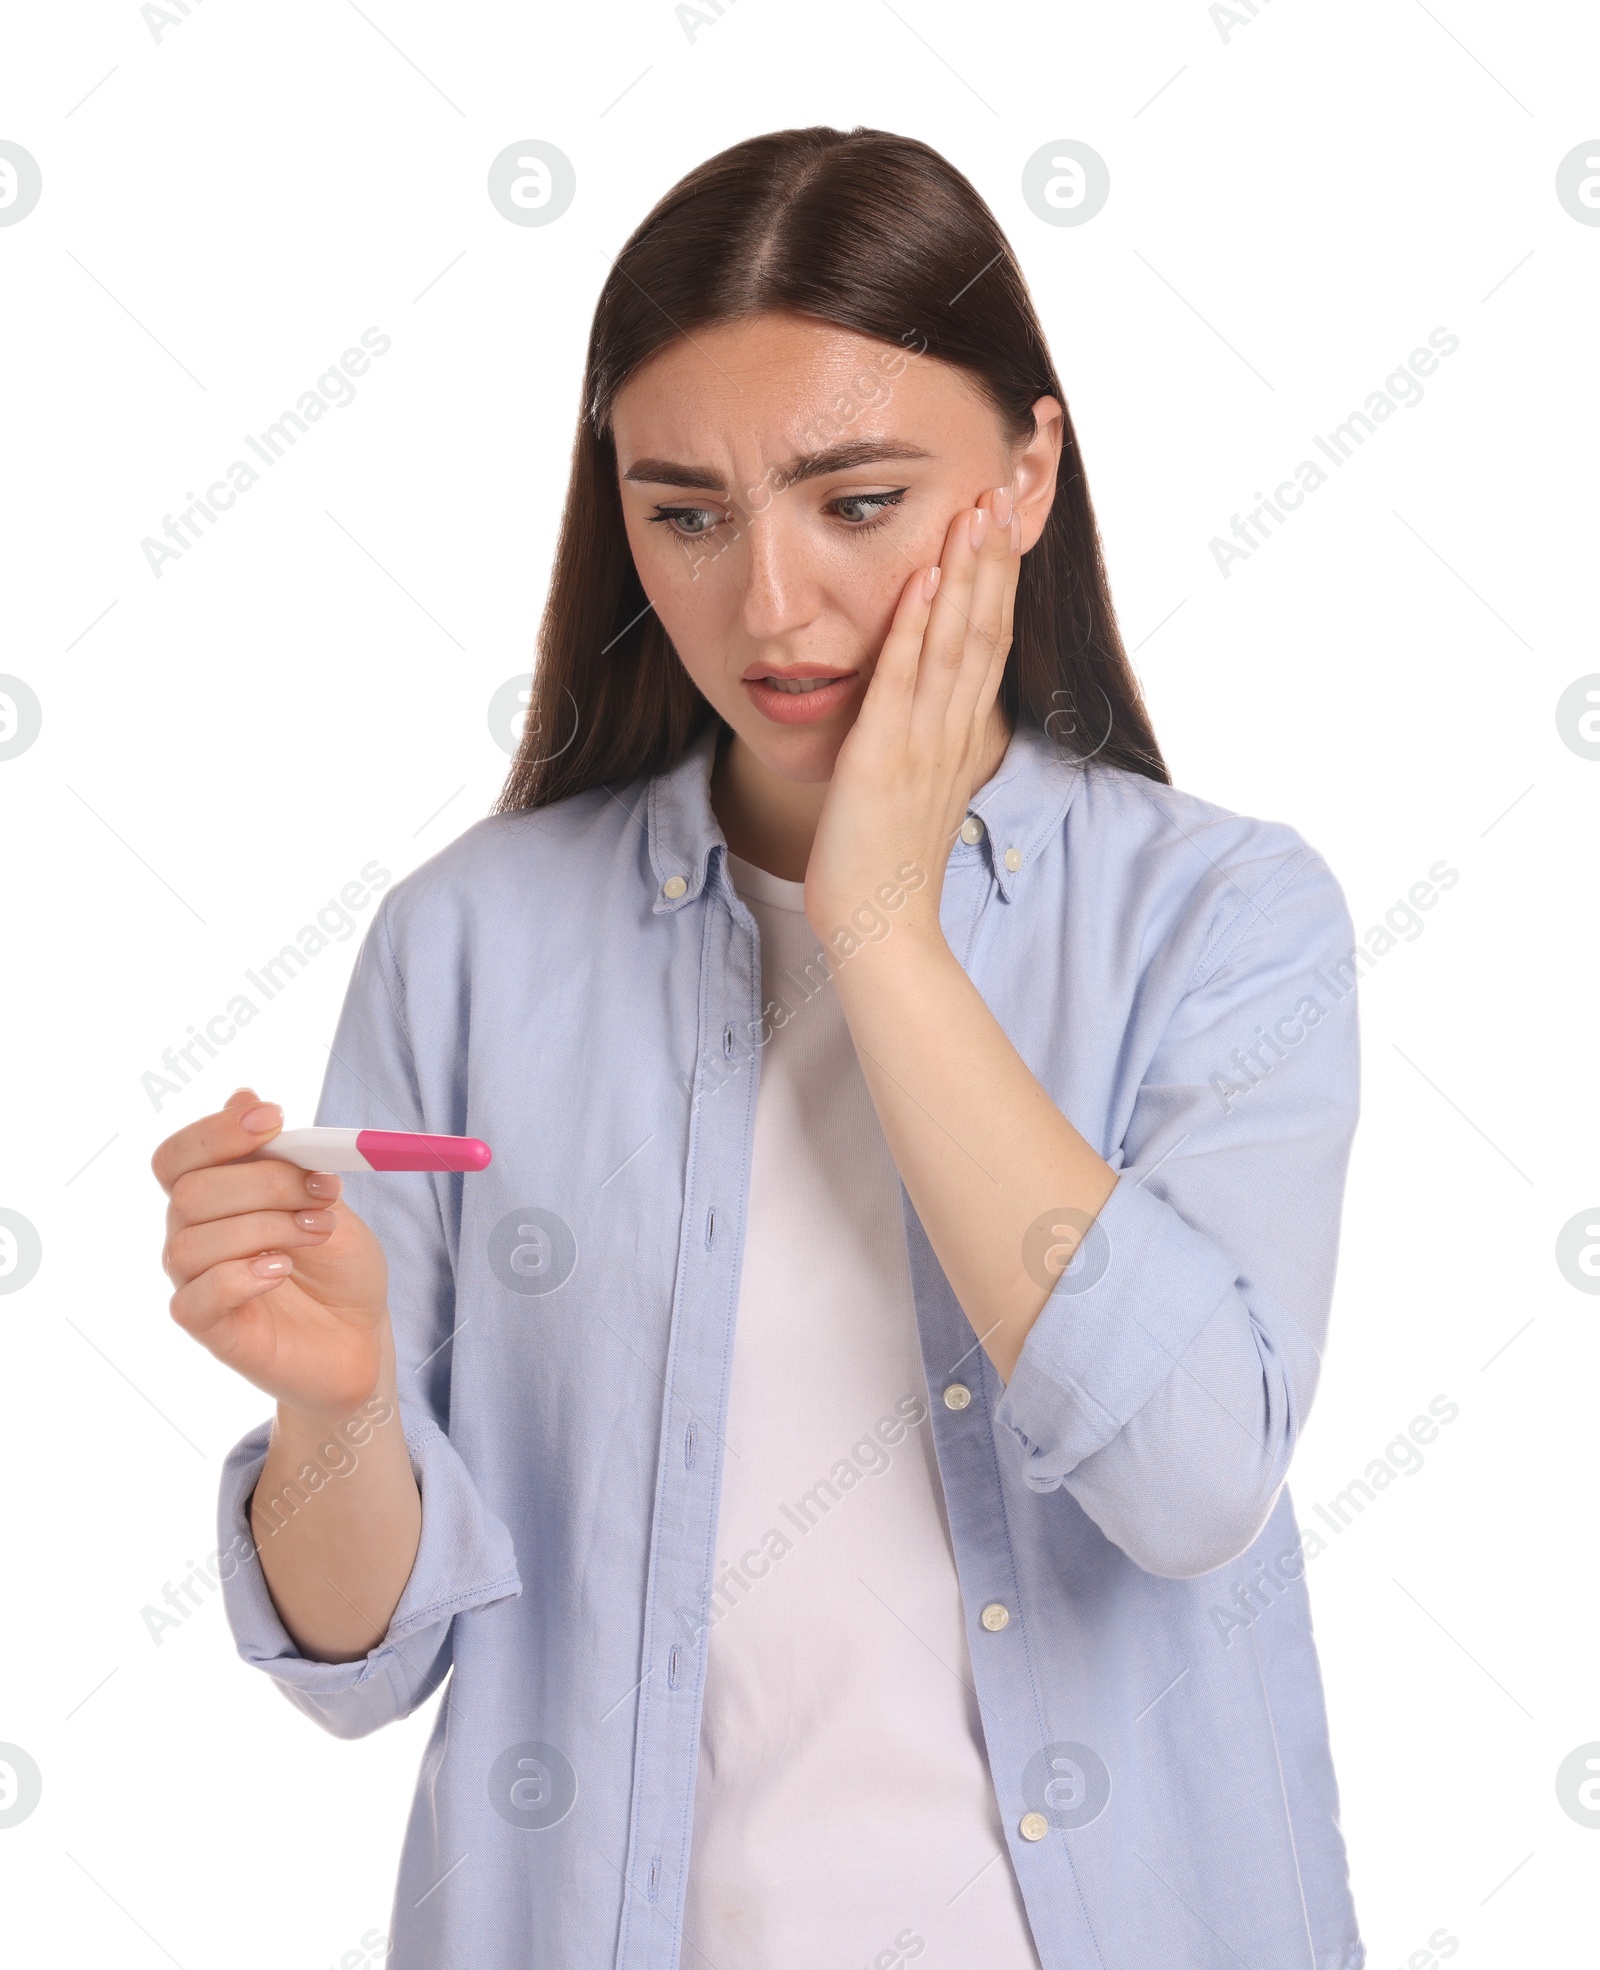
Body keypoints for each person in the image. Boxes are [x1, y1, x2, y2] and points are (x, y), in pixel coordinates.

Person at [152, 126, 1364, 1970]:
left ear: (1030, 471)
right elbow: (365, 1660)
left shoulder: (1221, 920)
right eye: (686, 512)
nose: (769, 608)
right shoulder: (476, 943)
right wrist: (338, 1402)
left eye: (857, 503)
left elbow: (1197, 1483)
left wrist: (881, 927)